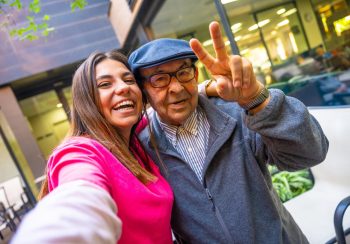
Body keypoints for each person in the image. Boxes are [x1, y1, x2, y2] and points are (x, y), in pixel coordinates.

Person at [128, 21, 329, 243]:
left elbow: (311, 153)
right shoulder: (143, 151)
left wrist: (258, 100)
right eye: (159, 79)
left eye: (183, 72)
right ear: (143, 90)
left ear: (195, 76)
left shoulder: (237, 115)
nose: (176, 88)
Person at [12, 51, 174, 244]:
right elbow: (79, 200)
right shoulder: (81, 151)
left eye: (129, 80)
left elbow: (157, 111)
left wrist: (208, 89)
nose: (123, 88)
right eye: (105, 84)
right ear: (87, 100)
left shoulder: (131, 137)